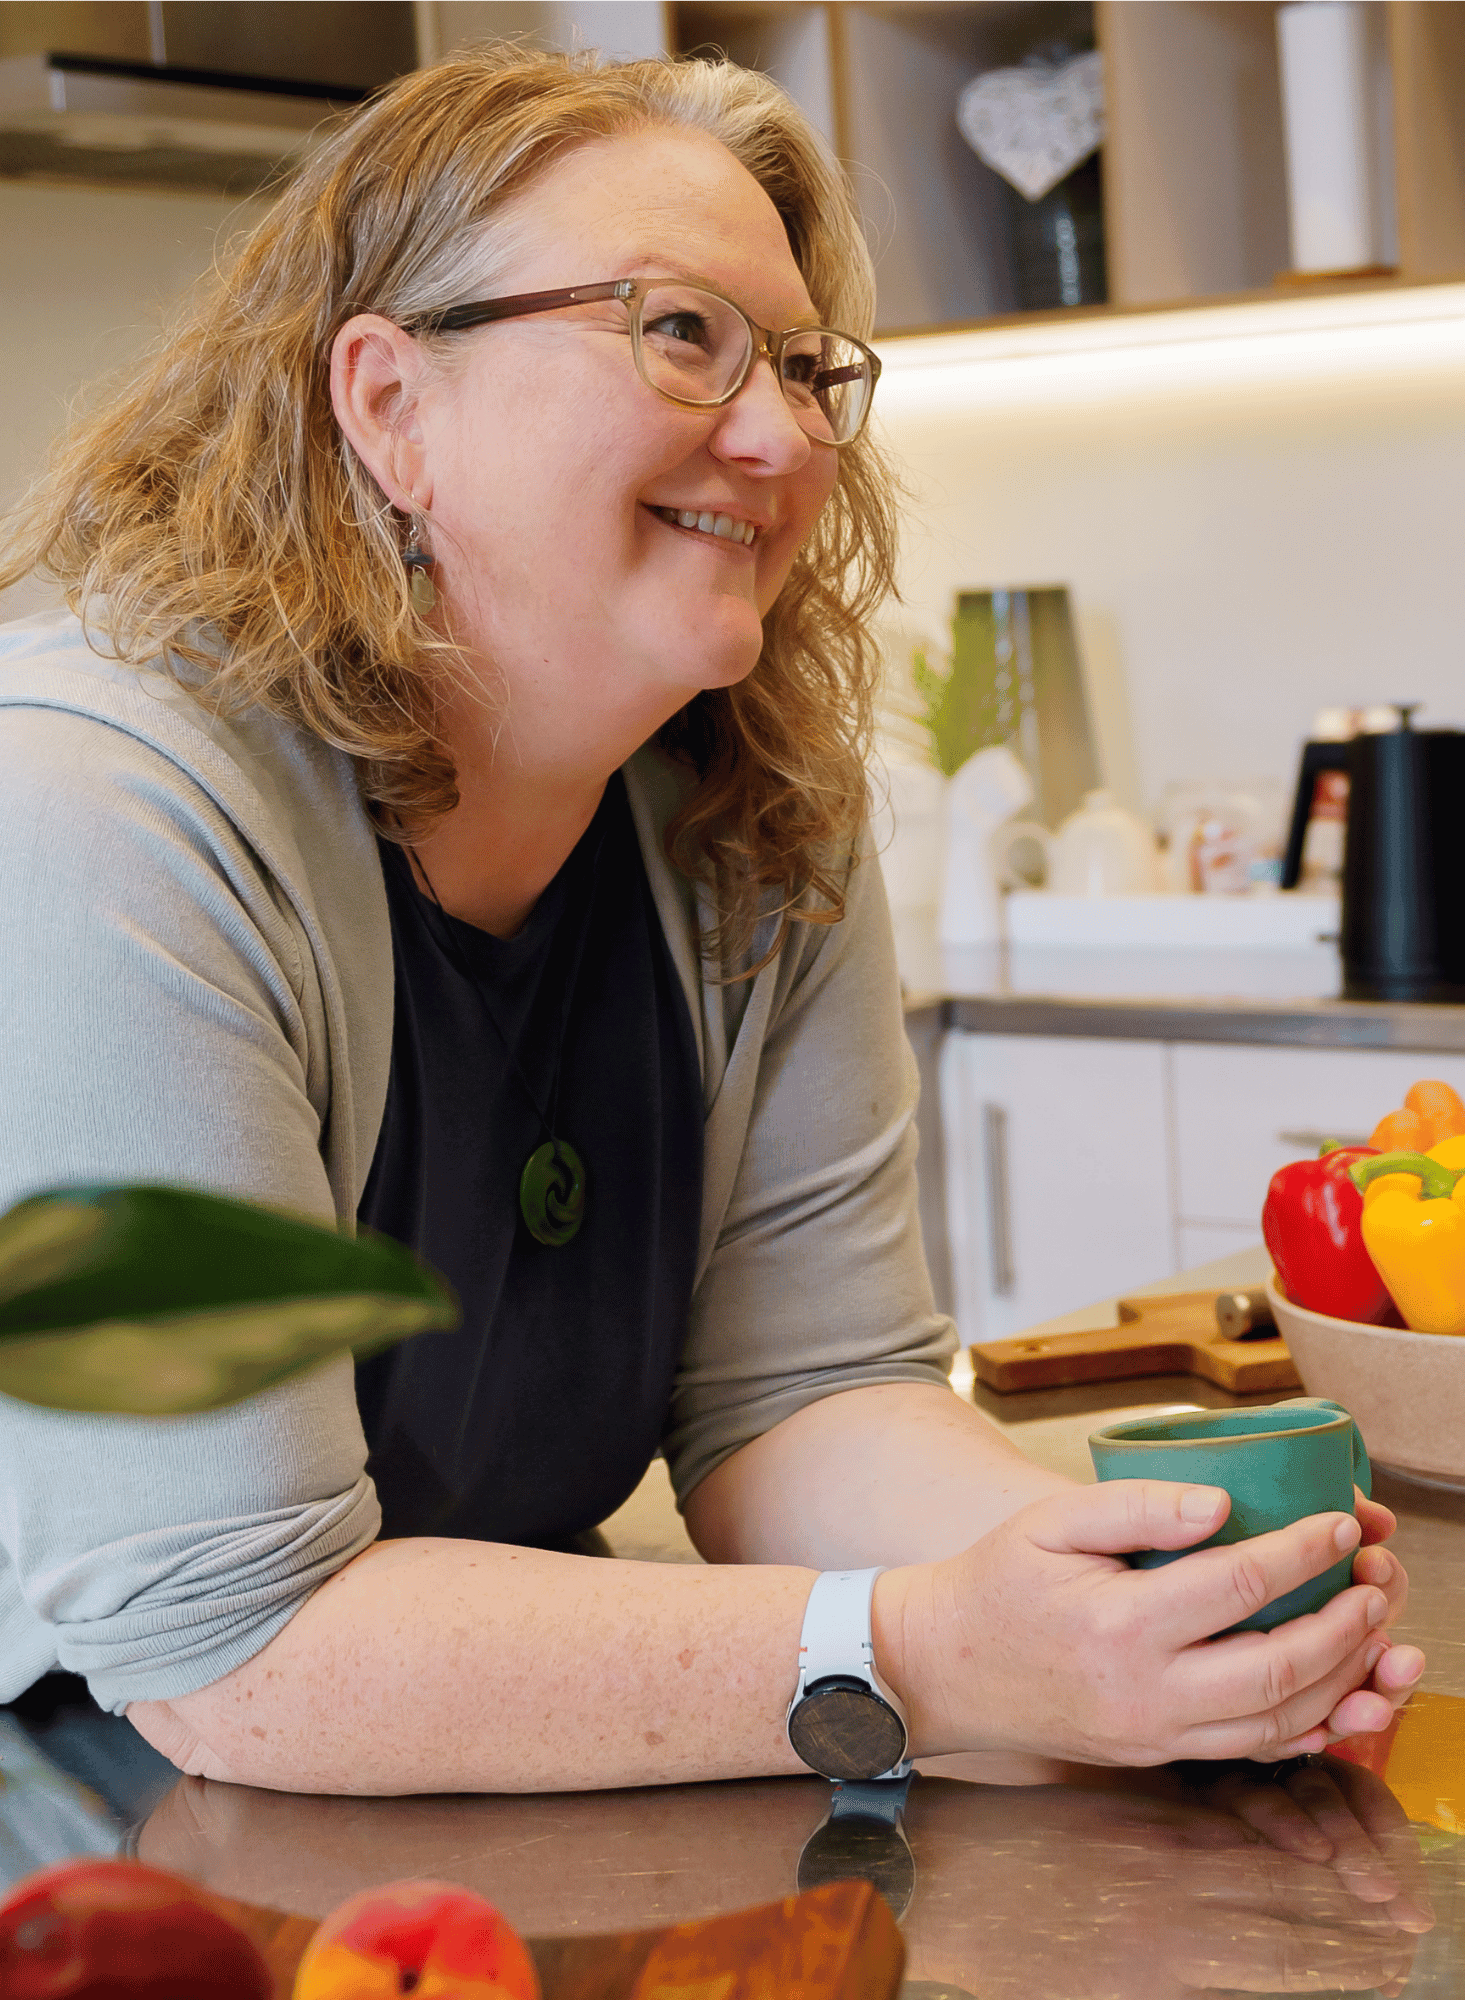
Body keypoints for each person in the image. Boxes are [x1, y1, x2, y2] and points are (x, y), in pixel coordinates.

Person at [0, 46, 1420, 1795]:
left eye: (809, 367)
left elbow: (804, 1401)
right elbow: (234, 1652)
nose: (778, 434)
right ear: (390, 405)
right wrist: (911, 1655)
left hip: (442, 1781)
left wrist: (1147, 1587)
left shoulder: (750, 807)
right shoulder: (92, 818)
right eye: (679, 331)